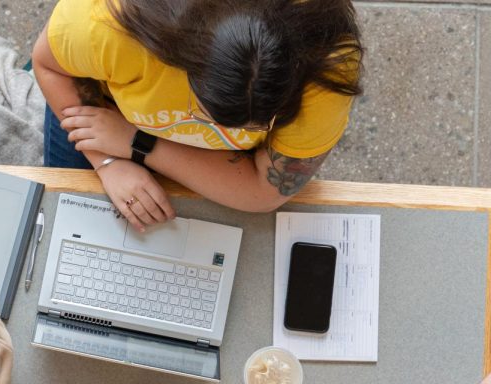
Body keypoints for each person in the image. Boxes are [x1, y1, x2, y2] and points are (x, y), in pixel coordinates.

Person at [31, 0, 363, 230]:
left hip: (125, 134)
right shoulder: (106, 23)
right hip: (103, 121)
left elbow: (264, 192)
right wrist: (107, 162)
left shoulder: (328, 65)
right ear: (185, 59)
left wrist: (138, 144)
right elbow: (48, 64)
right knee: (59, 224)